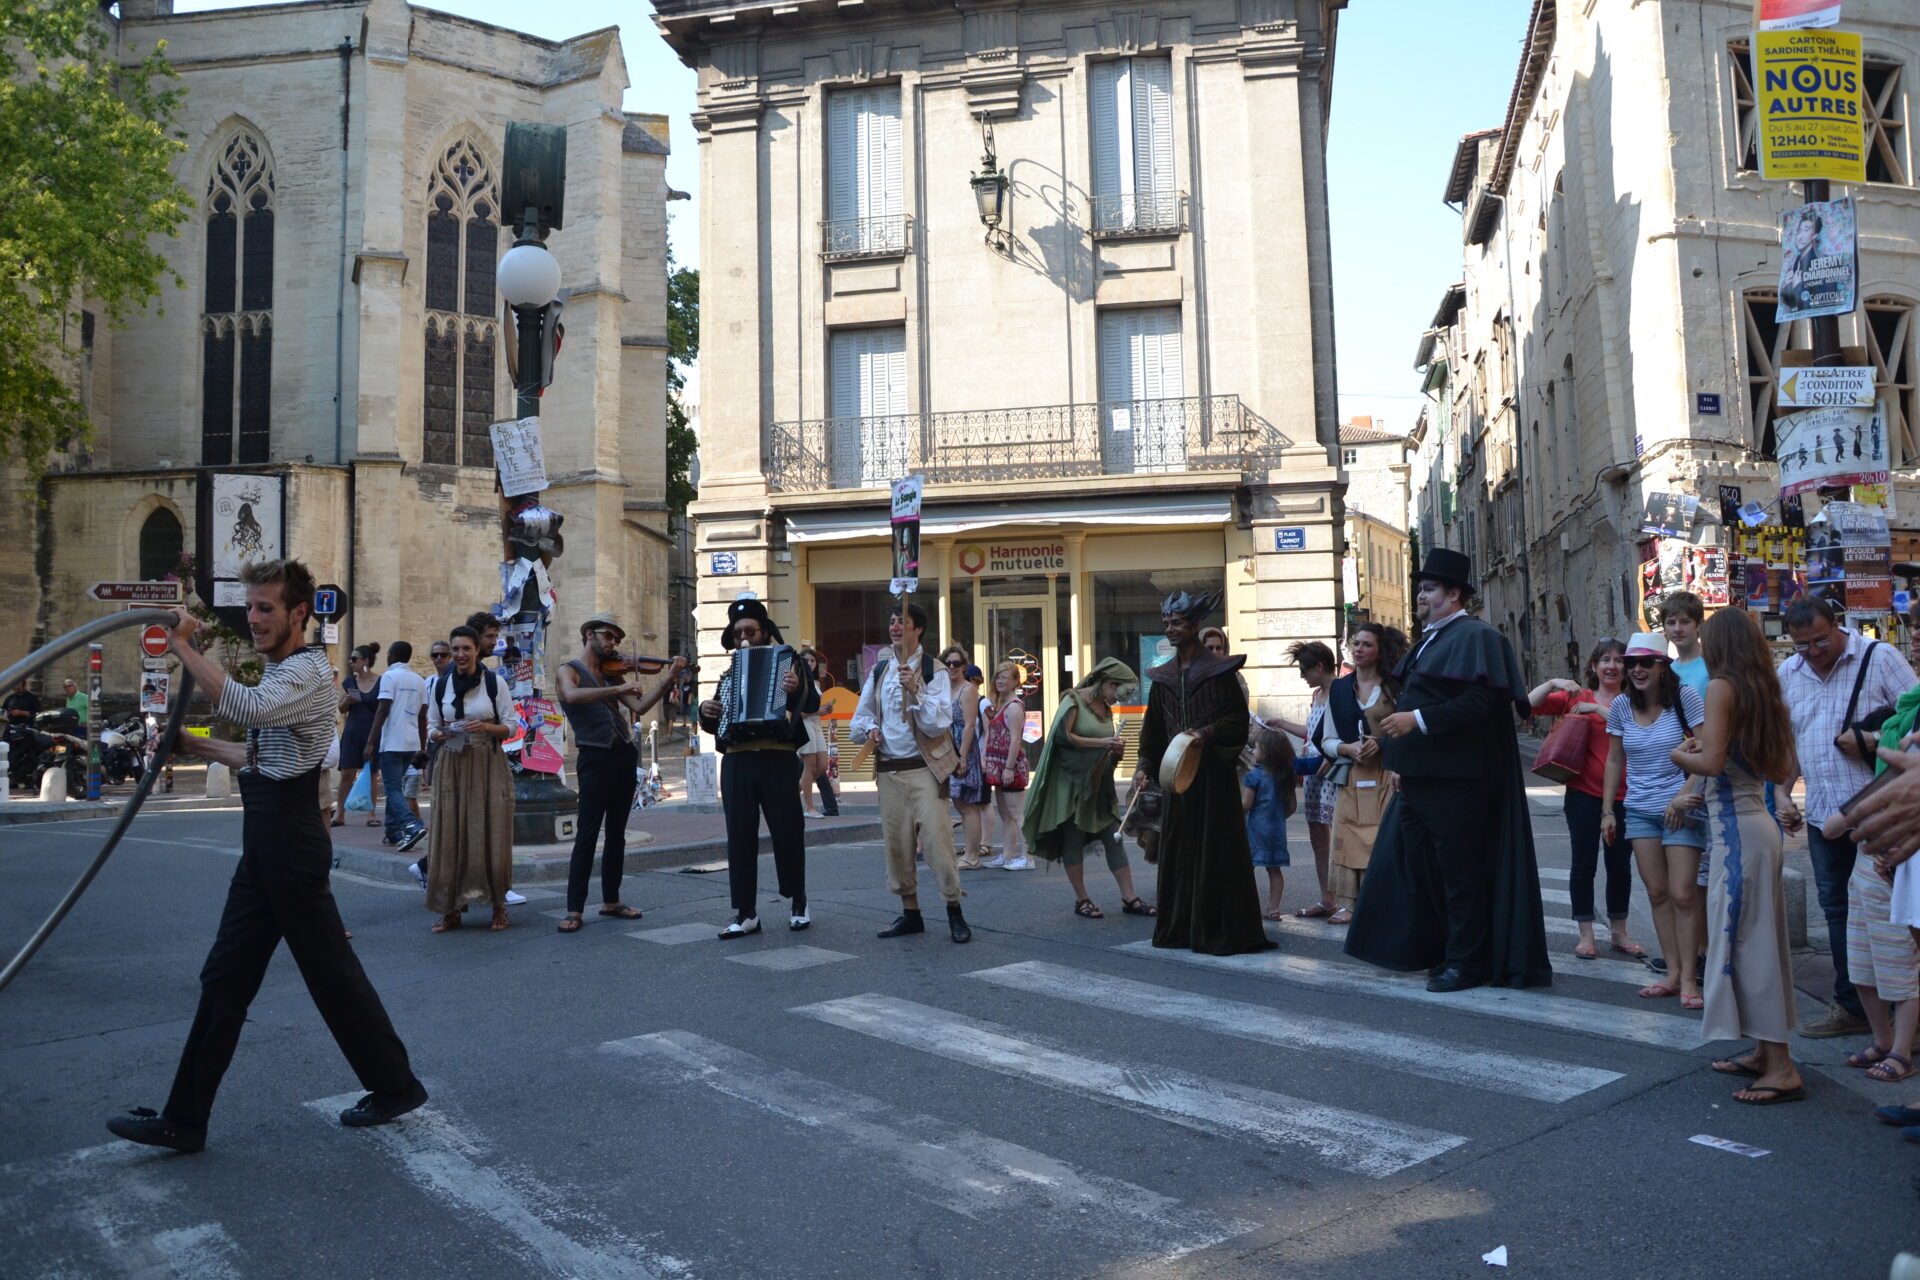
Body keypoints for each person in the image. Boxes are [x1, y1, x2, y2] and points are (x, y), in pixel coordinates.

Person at [104, 558, 424, 1154]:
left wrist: (181, 646)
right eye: (250, 607)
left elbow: (246, 711)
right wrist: (191, 742)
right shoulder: (282, 672)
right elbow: (259, 756)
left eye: (266, 608)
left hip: (290, 841)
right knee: (227, 977)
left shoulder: (303, 672)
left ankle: (396, 1085)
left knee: (330, 976)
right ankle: (185, 1119)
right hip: (270, 838)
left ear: (298, 613)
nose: (254, 618)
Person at [1349, 548, 1551, 991]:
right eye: (1420, 589)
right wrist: (1401, 762)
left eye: (1429, 589)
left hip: (1458, 782)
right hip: (1421, 778)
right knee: (1421, 870)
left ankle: (1467, 962)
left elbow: (1482, 703)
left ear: (1454, 594)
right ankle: (1440, 950)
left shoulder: (1476, 636)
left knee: (1460, 874)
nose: (1420, 596)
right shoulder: (1431, 637)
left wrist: (1416, 721)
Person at [1672, 608, 1807, 1104]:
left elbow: (1708, 763)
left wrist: (1679, 754)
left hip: (1737, 834)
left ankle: (1781, 1066)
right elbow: (1782, 765)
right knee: (1757, 943)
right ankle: (1766, 1051)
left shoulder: (1722, 688)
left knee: (1748, 946)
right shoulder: (1765, 692)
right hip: (1757, 826)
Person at [1776, 594, 1918, 1038]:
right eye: (1802, 645)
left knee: (1898, 920)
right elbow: (1791, 742)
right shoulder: (1788, 674)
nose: (1813, 653)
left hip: (1883, 816)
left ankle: (1906, 1021)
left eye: (1820, 641)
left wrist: (1871, 739)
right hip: (1822, 814)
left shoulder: (1881, 658)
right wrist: (1782, 792)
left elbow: (1912, 722)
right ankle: (1852, 1007)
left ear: (1837, 625)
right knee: (1839, 914)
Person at [1135, 589, 1273, 955]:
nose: (1170, 629)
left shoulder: (1220, 672)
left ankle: (1218, 930)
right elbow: (1152, 730)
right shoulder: (1162, 678)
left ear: (1194, 625)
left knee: (1217, 852)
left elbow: (1236, 722)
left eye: (1177, 623)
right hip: (1177, 783)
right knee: (1178, 853)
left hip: (1213, 779)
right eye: (1166, 623)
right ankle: (1180, 929)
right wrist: (1145, 765)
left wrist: (1204, 734)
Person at [848, 602, 972, 943]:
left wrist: (915, 688)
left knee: (938, 845)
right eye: (891, 622)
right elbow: (859, 720)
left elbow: (938, 724)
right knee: (898, 848)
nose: (895, 627)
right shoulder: (879, 671)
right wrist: (871, 728)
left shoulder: (935, 671)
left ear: (918, 629)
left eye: (902, 622)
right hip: (889, 770)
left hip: (924, 771)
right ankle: (911, 913)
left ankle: (954, 912)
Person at [1599, 634, 1709, 1006]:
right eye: (1632, 664)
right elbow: (1615, 759)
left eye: (1646, 662)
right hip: (1640, 811)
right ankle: (1674, 974)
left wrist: (1683, 795)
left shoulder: (1685, 699)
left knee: (1683, 894)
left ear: (1664, 666)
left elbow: (1708, 753)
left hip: (1681, 811)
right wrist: (1608, 811)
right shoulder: (1620, 707)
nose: (1637, 670)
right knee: (1658, 894)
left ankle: (1691, 979)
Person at [556, 613, 684, 934]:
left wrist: (669, 677)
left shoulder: (612, 676)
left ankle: (611, 900)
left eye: (617, 639)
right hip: (595, 758)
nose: (614, 643)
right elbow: (571, 697)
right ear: (589, 635)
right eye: (608, 636)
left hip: (622, 755)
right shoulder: (568, 671)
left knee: (617, 833)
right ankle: (574, 908)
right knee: (587, 835)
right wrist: (616, 689)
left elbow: (639, 708)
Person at [699, 599, 817, 937]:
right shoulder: (730, 670)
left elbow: (812, 703)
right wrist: (706, 711)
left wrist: (795, 692)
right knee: (739, 836)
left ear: (765, 631)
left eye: (750, 631)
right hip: (737, 759)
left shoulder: (789, 661)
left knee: (788, 832)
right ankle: (746, 912)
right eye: (737, 634)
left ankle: (798, 901)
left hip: (777, 757)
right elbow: (718, 718)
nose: (744, 639)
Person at [1530, 639, 1647, 961]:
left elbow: (1638, 730)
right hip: (1583, 793)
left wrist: (1597, 709)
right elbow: (1527, 705)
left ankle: (1619, 931)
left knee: (1619, 865)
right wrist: (1553, 682)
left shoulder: (1635, 700)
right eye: (1604, 660)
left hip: (1626, 795)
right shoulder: (1577, 697)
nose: (1612, 666)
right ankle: (1585, 934)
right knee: (1583, 864)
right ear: (1593, 667)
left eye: (1618, 660)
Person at [1023, 658, 1154, 918]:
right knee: (1074, 838)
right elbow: (1063, 737)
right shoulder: (1073, 702)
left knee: (1112, 838)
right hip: (1072, 785)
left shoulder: (1106, 709)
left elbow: (1106, 755)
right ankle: (1082, 899)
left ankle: (1130, 898)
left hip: (1098, 785)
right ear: (1108, 683)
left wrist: (1116, 751)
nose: (1120, 700)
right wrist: (1104, 742)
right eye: (1120, 693)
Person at [422, 625, 518, 933]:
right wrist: (438, 733)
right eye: (455, 650)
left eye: (466, 648)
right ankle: (449, 910)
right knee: (447, 833)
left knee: (492, 830)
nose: (460, 655)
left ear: (477, 650)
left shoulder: (494, 683)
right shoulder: (440, 685)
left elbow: (512, 727)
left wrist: (486, 728)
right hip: (451, 762)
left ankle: (498, 907)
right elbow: (432, 725)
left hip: (487, 761)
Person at [1320, 623, 1405, 925]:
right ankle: (1346, 903)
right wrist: (1347, 748)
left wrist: (1382, 744)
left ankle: (1383, 900)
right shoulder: (1341, 689)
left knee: (1385, 839)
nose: (1359, 650)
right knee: (1347, 838)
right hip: (1352, 775)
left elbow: (1408, 731)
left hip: (1387, 773)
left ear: (1380, 650)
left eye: (1367, 645)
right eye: (1356, 644)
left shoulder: (1395, 686)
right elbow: (1327, 739)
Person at [1272, 642, 1339, 920]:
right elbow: (1310, 732)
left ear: (1320, 667)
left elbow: (1349, 731)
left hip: (1333, 771)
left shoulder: (1341, 692)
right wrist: (1280, 723)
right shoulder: (1317, 694)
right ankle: (1326, 898)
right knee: (1317, 839)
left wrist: (1332, 756)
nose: (1303, 676)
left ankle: (1343, 900)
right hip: (1314, 773)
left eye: (1304, 669)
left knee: (1340, 839)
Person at [363, 642, 428, 852]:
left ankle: (411, 824)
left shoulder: (389, 678)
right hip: (411, 743)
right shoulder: (419, 680)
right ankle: (392, 832)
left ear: (392, 655)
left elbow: (382, 711)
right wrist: (422, 746)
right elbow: (422, 717)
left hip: (392, 742)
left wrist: (370, 742)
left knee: (392, 789)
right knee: (396, 788)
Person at [941, 646, 991, 868]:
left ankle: (972, 855)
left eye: (957, 663)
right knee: (960, 803)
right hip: (949, 750)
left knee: (968, 804)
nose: (952, 667)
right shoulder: (945, 689)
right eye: (948, 663)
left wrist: (962, 758)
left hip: (964, 751)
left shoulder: (968, 690)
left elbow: (970, 725)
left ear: (964, 666)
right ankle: (969, 853)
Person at [980, 661, 1033, 869]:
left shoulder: (1013, 707)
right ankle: (1008, 855)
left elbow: (1015, 740)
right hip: (1000, 766)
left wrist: (1009, 768)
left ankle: (1027, 858)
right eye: (998, 677)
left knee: (1017, 813)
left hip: (1010, 765)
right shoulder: (1003, 705)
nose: (1000, 681)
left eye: (1005, 677)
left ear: (1015, 682)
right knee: (1005, 814)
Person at [1243, 726, 1298, 920]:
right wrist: (1277, 817)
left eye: (1256, 747)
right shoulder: (1286, 776)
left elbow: (1246, 804)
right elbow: (1292, 806)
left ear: (1266, 752)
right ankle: (1274, 908)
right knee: (1274, 870)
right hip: (1277, 831)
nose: (1253, 751)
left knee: (1246, 869)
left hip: (1256, 831)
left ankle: (1245, 907)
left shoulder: (1254, 776)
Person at [333, 643, 379, 828]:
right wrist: (347, 701)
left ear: (365, 661)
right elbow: (341, 709)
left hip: (372, 731)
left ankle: (371, 814)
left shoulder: (381, 681)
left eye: (354, 659)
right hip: (352, 731)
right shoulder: (349, 682)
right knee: (347, 773)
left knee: (371, 773)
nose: (350, 662)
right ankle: (340, 814)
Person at [796, 647, 838, 818]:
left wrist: (824, 710)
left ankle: (789, 794)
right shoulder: (797, 682)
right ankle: (809, 807)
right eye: (806, 660)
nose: (810, 664)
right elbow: (794, 714)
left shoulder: (816, 683)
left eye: (813, 660)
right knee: (810, 766)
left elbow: (815, 709)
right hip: (805, 724)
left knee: (821, 767)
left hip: (816, 724)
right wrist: (818, 711)